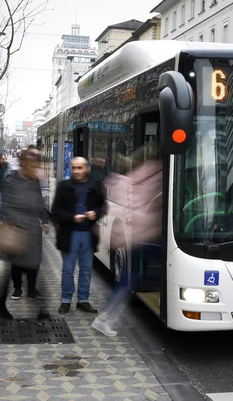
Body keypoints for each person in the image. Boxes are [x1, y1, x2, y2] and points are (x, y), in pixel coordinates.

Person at [91, 143, 163, 336]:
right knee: (130, 279)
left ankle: (105, 317)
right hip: (142, 237)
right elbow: (143, 210)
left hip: (136, 238)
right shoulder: (153, 173)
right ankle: (104, 318)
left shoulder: (126, 178)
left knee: (131, 278)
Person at [0, 149, 50, 320]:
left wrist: (45, 219)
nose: (35, 169)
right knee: (12, 269)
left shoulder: (35, 182)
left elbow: (39, 204)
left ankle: (39, 305)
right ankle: (1, 304)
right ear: (24, 164)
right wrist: (18, 225)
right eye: (33, 166)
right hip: (16, 233)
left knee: (35, 268)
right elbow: (7, 207)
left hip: (33, 233)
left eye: (37, 166)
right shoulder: (11, 181)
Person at [51, 157, 107, 315]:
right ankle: (66, 300)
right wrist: (72, 218)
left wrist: (95, 213)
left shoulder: (96, 186)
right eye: (74, 167)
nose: (76, 171)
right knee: (68, 269)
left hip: (88, 235)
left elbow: (103, 207)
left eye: (80, 168)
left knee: (86, 270)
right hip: (70, 235)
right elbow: (56, 212)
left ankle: (83, 300)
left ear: (87, 169)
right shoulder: (64, 186)